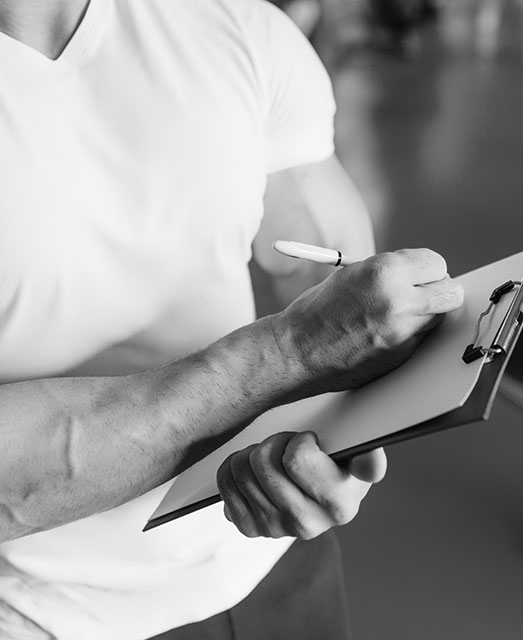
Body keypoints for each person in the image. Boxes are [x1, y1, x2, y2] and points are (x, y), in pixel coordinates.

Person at [0, 0, 464, 638]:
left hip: (270, 565)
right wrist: (287, 358)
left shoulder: (236, 27)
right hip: (43, 612)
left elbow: (345, 284)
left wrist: (336, 453)